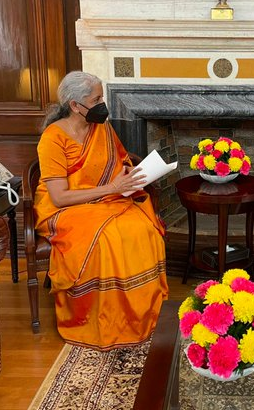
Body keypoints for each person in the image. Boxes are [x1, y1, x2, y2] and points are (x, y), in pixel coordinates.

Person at [34, 71, 168, 350]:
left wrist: (129, 173)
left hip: (109, 198)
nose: (102, 104)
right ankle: (108, 319)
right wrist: (113, 188)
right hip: (68, 209)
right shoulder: (53, 139)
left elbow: (117, 161)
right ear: (75, 105)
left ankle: (143, 314)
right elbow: (59, 197)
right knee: (109, 237)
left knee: (142, 227)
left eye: (101, 97)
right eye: (96, 99)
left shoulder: (101, 128)